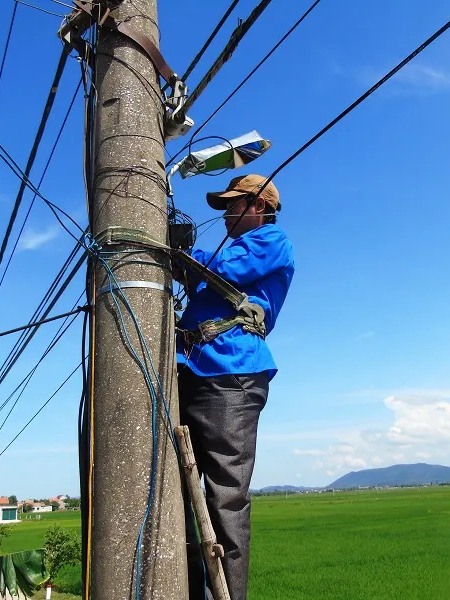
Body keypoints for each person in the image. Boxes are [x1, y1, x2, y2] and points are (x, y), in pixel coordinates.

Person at [175, 174, 295, 600]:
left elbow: (223, 268)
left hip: (232, 377)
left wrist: (181, 249)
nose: (225, 214)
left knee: (224, 497)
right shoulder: (225, 250)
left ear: (259, 206)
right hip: (190, 369)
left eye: (233, 204)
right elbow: (200, 273)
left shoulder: (271, 241)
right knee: (178, 493)